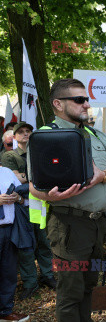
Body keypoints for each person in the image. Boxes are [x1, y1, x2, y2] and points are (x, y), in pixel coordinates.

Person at [28, 78, 106, 322]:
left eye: (87, 99)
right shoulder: (44, 137)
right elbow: (33, 185)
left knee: (88, 287)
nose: (87, 104)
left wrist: (102, 176)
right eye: (80, 100)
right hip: (69, 226)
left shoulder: (94, 132)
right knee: (70, 293)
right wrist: (48, 196)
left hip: (98, 224)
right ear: (58, 104)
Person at [2, 122, 56, 300]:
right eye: (21, 132)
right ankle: (30, 283)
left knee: (44, 242)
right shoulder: (10, 155)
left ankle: (48, 275)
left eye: (28, 131)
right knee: (25, 247)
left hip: (39, 202)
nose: (25, 134)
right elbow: (14, 182)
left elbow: (49, 174)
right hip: (19, 207)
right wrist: (36, 177)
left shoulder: (40, 153)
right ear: (14, 136)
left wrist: (29, 180)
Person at [0, 166, 29, 322]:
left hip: (9, 229)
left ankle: (5, 312)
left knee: (8, 272)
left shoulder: (6, 172)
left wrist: (17, 198)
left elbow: (24, 200)